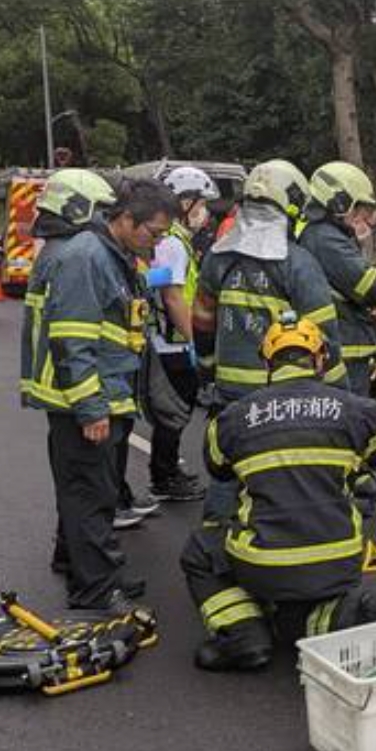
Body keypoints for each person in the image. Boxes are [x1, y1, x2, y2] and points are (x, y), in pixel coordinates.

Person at [179, 313, 376, 672]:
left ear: (268, 364)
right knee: (304, 599)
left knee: (201, 550)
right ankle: (336, 620)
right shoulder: (357, 410)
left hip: (263, 566)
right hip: (338, 561)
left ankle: (243, 634)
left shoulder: (233, 419)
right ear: (319, 359)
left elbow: (218, 467)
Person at [22, 176, 179, 611]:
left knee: (89, 491)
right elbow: (73, 339)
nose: (158, 242)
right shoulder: (88, 258)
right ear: (126, 219)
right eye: (155, 232)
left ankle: (81, 565)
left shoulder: (110, 254)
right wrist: (91, 409)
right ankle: (94, 591)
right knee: (91, 495)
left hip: (103, 393)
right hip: (85, 401)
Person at [192, 160, 342, 521]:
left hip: (229, 392)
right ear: (292, 207)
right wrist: (340, 399)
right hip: (281, 392)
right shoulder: (298, 264)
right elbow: (327, 341)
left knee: (230, 468)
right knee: (280, 469)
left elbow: (202, 322)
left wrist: (210, 373)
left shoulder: (218, 257)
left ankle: (215, 544)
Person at [140, 165, 220, 503]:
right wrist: (194, 339)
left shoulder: (174, 240)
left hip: (167, 339)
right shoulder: (173, 243)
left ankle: (167, 471)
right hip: (173, 343)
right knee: (173, 413)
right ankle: (165, 476)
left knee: (174, 412)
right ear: (185, 202)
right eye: (200, 203)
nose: (204, 211)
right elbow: (173, 296)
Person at [298, 162, 376, 396]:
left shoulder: (323, 235)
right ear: (339, 202)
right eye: (360, 209)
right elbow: (371, 289)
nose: (364, 218)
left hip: (345, 346)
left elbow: (345, 277)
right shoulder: (326, 239)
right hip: (344, 349)